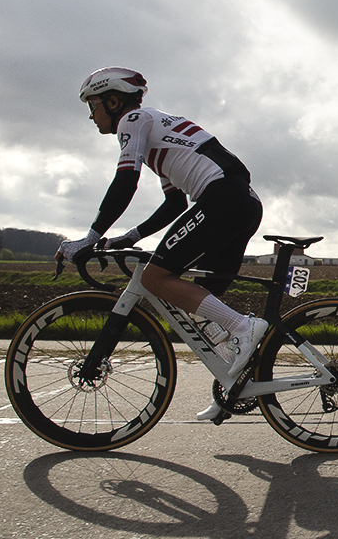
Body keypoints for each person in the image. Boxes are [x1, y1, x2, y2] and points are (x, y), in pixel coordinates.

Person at [57, 67, 267, 421]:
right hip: (241, 200)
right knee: (202, 308)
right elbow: (174, 205)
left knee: (155, 279)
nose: (90, 115)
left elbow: (126, 180)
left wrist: (90, 237)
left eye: (92, 106)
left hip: (222, 197)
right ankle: (236, 386)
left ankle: (247, 328)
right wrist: (130, 237)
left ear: (113, 100)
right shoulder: (159, 129)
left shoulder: (133, 120)